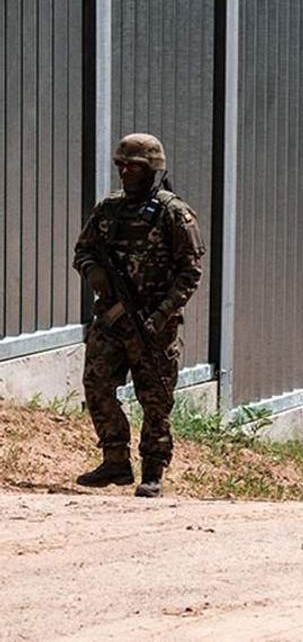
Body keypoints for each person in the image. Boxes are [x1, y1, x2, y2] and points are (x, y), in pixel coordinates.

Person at [72, 133, 206, 497]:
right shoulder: (108, 210)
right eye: (121, 165)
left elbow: (190, 272)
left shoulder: (174, 214)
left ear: (153, 169)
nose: (125, 172)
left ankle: (153, 470)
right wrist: (94, 272)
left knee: (155, 399)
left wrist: (162, 314)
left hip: (154, 326)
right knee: (97, 385)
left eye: (133, 166)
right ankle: (115, 461)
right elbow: (83, 250)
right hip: (113, 321)